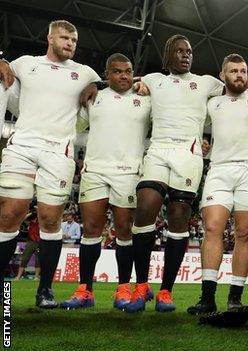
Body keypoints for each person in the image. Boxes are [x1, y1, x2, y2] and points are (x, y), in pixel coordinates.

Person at [119, 34, 224, 313]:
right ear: (167, 56)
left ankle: (166, 291)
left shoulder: (206, 83)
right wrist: (93, 86)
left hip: (188, 155)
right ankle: (141, 286)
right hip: (158, 149)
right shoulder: (153, 80)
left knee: (178, 220)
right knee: (145, 208)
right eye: (178, 51)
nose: (185, 55)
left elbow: (237, 90)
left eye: (188, 51)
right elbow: (122, 81)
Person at [0, 20, 100, 308]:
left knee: (50, 219)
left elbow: (106, 84)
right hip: (22, 146)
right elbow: (6, 69)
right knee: (10, 214)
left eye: (74, 40)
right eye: (65, 37)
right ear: (50, 38)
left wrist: (94, 84)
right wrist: (4, 61)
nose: (70, 43)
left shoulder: (84, 73)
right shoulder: (26, 63)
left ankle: (45, 290)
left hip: (59, 152)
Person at [59, 53, 151, 310]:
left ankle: (123, 289)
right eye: (118, 71)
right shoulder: (94, 98)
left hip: (129, 172)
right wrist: (93, 86)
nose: (124, 76)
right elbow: (73, 126)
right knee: (91, 229)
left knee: (124, 230)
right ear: (107, 74)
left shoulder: (145, 100)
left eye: (128, 71)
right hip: (95, 170)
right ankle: (85, 290)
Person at [187, 53, 248, 315]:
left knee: (244, 232)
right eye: (234, 71)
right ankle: (207, 297)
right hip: (219, 169)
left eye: (243, 71)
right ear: (222, 75)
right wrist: (199, 141)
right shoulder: (212, 103)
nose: (239, 75)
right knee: (213, 227)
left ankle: (235, 297)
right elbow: (190, 122)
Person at [15, 212, 40, 280]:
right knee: (24, 259)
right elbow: (22, 219)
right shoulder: (30, 223)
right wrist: (31, 213)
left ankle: (36, 276)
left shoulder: (40, 222)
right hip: (30, 242)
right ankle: (18, 277)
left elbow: (43, 217)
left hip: (39, 243)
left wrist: (38, 211)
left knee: (38, 260)